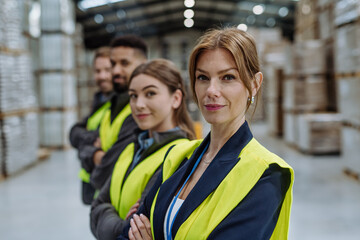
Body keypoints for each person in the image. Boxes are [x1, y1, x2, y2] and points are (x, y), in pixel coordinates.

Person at [123, 27, 294, 240]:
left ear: (254, 84)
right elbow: (129, 231)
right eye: (203, 77)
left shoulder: (266, 174)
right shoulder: (177, 157)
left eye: (228, 77)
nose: (211, 90)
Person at [90, 59, 196, 240]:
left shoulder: (180, 157)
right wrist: (121, 223)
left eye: (150, 93)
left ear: (176, 98)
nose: (138, 104)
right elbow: (96, 207)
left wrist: (110, 219)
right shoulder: (131, 148)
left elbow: (138, 228)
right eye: (133, 95)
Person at [74, 35, 148, 205]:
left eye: (124, 63)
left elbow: (107, 172)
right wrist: (95, 154)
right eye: (113, 64)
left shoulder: (139, 113)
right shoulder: (110, 105)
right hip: (105, 201)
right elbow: (75, 135)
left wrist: (90, 155)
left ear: (143, 64)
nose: (115, 71)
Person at [69, 47, 114, 204]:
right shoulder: (100, 101)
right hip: (91, 180)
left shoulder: (121, 106)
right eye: (97, 71)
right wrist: (92, 139)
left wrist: (84, 142)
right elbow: (73, 133)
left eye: (107, 70)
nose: (102, 76)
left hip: (107, 184)